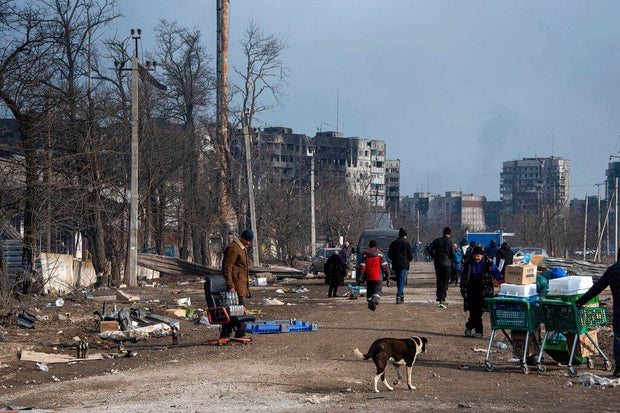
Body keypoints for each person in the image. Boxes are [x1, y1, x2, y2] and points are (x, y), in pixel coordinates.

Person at [576, 248, 620, 377]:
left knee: (618, 338)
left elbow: (596, 288)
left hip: (618, 309)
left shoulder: (612, 271)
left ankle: (619, 368)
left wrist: (580, 301)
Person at [460, 246, 502, 339]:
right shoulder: (468, 263)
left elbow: (496, 272)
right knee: (473, 310)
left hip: (484, 290)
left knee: (478, 311)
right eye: (475, 255)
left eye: (478, 256)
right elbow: (463, 276)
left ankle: (475, 329)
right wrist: (462, 287)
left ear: (482, 256)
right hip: (471, 289)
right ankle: (472, 328)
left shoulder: (488, 263)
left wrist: (500, 281)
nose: (476, 258)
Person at [221, 229, 253, 338]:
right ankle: (238, 333)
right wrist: (230, 285)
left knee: (236, 310)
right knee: (237, 310)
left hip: (240, 286)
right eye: (247, 240)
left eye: (250, 241)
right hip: (235, 287)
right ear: (242, 238)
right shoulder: (234, 248)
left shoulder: (242, 248)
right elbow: (227, 268)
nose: (248, 243)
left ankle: (231, 333)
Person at [427, 227, 456, 308]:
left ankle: (438, 296)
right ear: (449, 234)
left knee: (439, 279)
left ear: (443, 233)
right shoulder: (450, 242)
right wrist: (449, 258)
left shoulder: (437, 240)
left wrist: (434, 256)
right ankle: (442, 297)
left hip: (438, 263)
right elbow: (453, 254)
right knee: (445, 281)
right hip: (447, 264)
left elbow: (429, 249)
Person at [360, 239, 388, 311]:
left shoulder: (365, 255)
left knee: (369, 290)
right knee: (377, 290)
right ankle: (374, 300)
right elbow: (384, 266)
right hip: (377, 276)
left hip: (368, 276)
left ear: (369, 246)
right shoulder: (380, 254)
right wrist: (387, 275)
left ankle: (370, 302)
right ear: (376, 246)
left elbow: (362, 267)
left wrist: (361, 277)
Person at [388, 228, 414, 304]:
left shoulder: (393, 243)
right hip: (404, 265)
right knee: (401, 279)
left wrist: (395, 259)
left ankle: (400, 294)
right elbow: (411, 256)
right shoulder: (407, 243)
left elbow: (389, 255)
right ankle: (399, 295)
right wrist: (406, 260)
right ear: (405, 236)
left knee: (399, 279)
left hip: (396, 264)